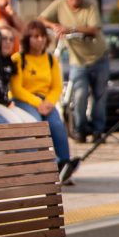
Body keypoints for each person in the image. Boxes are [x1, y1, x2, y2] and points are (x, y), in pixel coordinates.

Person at [38, 0, 109, 143]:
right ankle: (80, 129)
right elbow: (41, 19)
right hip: (77, 60)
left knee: (100, 96)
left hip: (99, 57)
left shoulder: (90, 5)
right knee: (79, 95)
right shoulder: (59, 4)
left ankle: (98, 131)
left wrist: (70, 29)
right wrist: (54, 25)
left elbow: (94, 29)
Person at [9, 20, 73, 171]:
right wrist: (38, 103)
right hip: (25, 100)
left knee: (57, 125)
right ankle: (49, 164)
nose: (40, 40)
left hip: (46, 102)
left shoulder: (51, 59)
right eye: (35, 37)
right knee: (37, 124)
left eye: (43, 36)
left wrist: (49, 102)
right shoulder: (18, 59)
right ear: (27, 39)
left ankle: (65, 164)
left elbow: (57, 86)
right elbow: (16, 89)